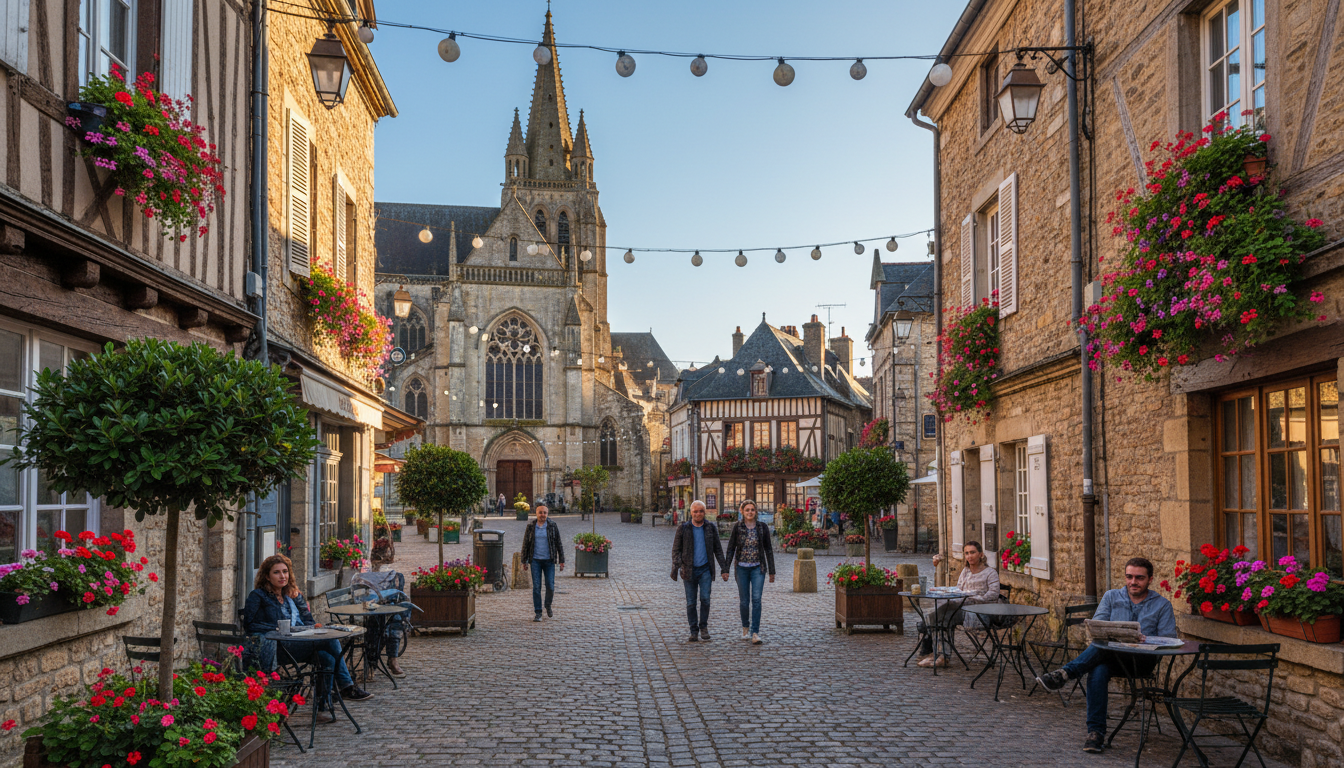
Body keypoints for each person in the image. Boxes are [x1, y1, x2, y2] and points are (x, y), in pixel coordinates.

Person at [1036, 557, 1177, 754]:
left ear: (1150, 579)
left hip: (1141, 661)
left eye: (1139, 578)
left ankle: (1065, 674)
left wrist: (1149, 640)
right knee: (1098, 668)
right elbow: (1098, 627)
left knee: (1101, 654)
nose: (1133, 582)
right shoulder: (1111, 597)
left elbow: (1169, 639)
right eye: (1129, 577)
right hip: (1111, 659)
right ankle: (1095, 734)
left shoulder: (1162, 605)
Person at [243, 555, 373, 722]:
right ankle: (346, 686)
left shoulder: (293, 595)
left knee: (327, 658)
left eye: (285, 572)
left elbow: (308, 621)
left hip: (300, 644)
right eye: (276, 573)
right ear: (267, 576)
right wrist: (277, 629)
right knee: (330, 640)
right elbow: (249, 624)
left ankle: (322, 708)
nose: (282, 576)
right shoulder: (258, 596)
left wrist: (307, 617)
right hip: (278, 647)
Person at [921, 541, 1001, 667]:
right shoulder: (965, 571)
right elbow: (959, 589)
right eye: (967, 553)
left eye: (973, 552)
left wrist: (973, 596)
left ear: (980, 554)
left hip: (979, 612)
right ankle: (940, 655)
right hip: (962, 607)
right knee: (941, 615)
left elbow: (994, 594)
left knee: (943, 616)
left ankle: (940, 654)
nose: (969, 556)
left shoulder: (990, 573)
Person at [721, 499, 776, 644]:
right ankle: (745, 625)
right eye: (747, 510)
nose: (750, 512)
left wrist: (772, 571)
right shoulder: (737, 527)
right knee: (745, 601)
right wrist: (725, 569)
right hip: (742, 568)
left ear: (755, 512)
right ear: (742, 512)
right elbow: (731, 548)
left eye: (752, 509)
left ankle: (755, 632)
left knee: (756, 600)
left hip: (758, 567)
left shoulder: (762, 527)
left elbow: (768, 549)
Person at [671, 500, 727, 642]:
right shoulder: (683, 528)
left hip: (705, 570)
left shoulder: (710, 528)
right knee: (691, 602)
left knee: (705, 599)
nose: (698, 514)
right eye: (695, 511)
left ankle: (703, 627)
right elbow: (675, 550)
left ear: (704, 512)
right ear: (691, 513)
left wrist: (724, 568)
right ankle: (693, 630)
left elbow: (718, 549)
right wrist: (679, 563)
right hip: (688, 570)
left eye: (701, 511)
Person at [521, 504, 564, 621]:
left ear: (547, 514)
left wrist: (561, 560)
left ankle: (548, 604)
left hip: (549, 560)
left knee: (550, 585)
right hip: (535, 560)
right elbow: (526, 544)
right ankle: (538, 612)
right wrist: (523, 560)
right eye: (540, 512)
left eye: (544, 513)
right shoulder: (530, 526)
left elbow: (558, 543)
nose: (542, 515)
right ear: (536, 513)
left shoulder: (552, 526)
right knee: (536, 587)